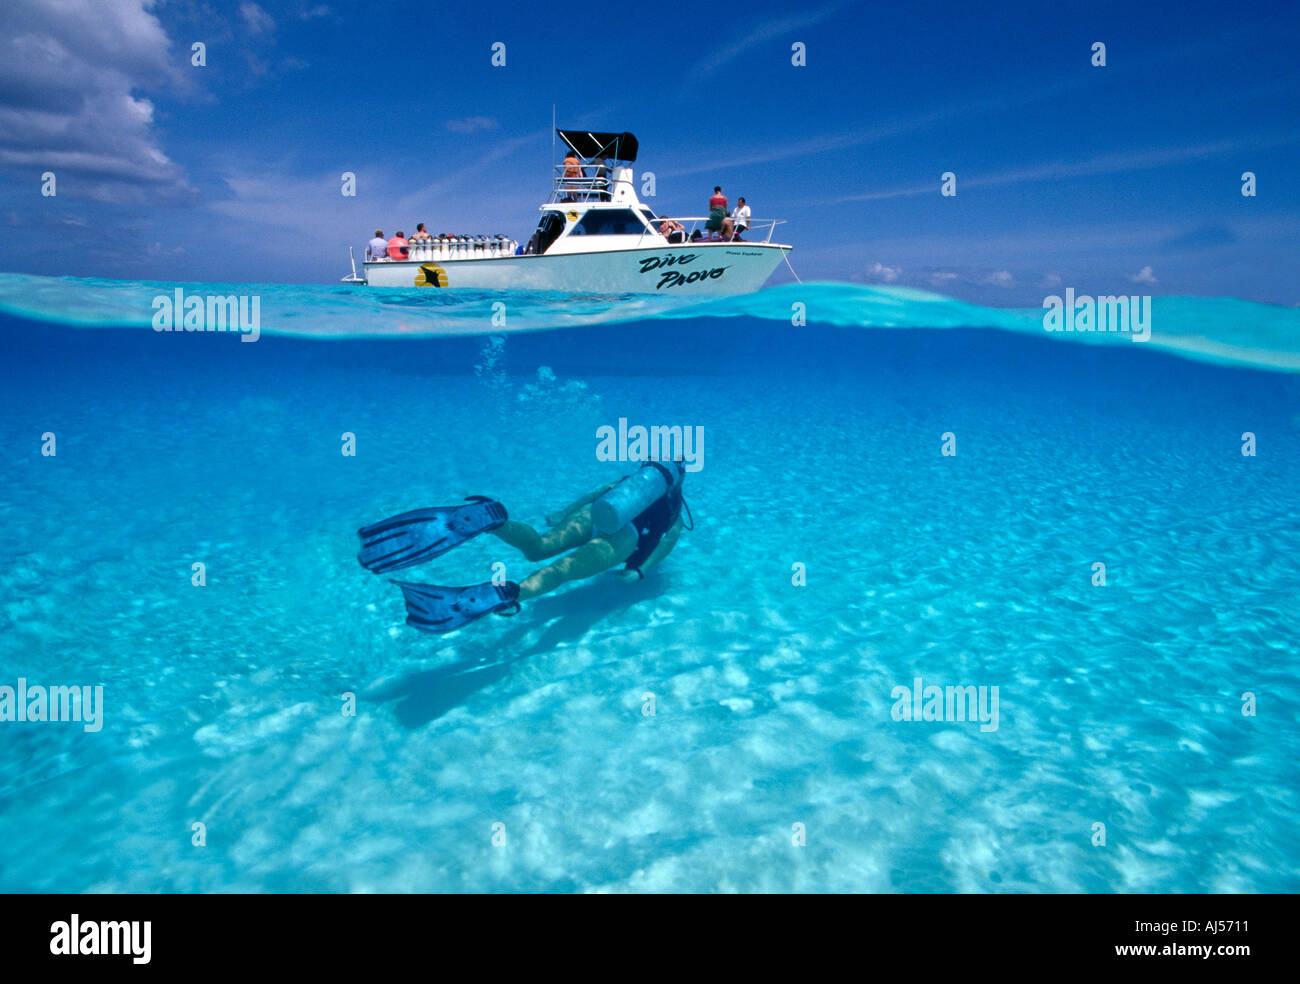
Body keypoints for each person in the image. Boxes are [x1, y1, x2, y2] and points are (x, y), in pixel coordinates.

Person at [357, 461, 691, 633]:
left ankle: (497, 522)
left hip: (593, 514)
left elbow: (596, 493)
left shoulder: (630, 484)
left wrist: (562, 512)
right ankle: (511, 595)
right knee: (560, 571)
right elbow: (666, 541)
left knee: (539, 547)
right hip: (626, 537)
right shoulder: (675, 507)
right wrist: (639, 569)